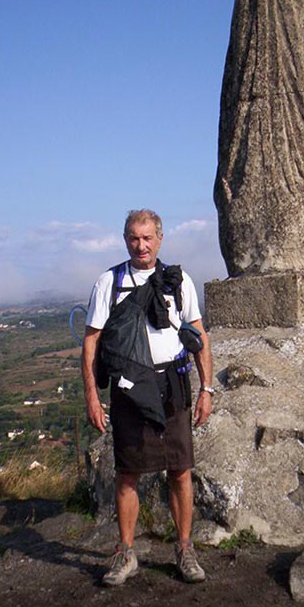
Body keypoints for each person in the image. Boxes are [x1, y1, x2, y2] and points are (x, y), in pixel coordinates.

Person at [81, 209, 213, 586]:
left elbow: (199, 335)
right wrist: (92, 395)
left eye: (148, 238)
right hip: (128, 386)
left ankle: (185, 549)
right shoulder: (110, 282)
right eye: (134, 238)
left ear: (160, 239)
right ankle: (125, 553)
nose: (141, 245)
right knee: (127, 473)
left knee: (181, 470)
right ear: (126, 240)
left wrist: (207, 388)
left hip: (171, 382)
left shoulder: (177, 280)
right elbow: (91, 341)